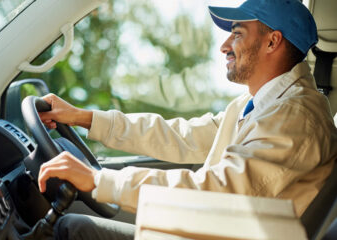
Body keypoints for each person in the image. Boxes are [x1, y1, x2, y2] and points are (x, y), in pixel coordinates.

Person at [38, 0, 337, 239]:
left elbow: (216, 193)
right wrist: (85, 118)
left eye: (237, 33)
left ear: (272, 42)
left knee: (71, 229)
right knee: (75, 227)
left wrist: (99, 180)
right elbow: (181, 135)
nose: (224, 46)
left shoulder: (295, 119)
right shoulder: (258, 104)